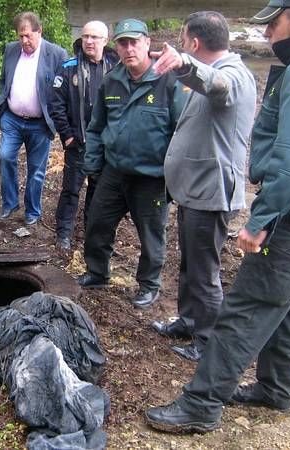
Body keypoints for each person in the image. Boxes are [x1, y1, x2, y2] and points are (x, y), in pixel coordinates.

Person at [145, 0, 290, 432]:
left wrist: (260, 219)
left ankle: (202, 404)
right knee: (288, 300)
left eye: (273, 26)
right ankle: (275, 388)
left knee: (247, 304)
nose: (267, 35)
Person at [148, 11, 257, 362]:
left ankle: (208, 339)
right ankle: (189, 320)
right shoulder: (222, 71)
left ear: (194, 43)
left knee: (205, 272)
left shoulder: (233, 75)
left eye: (183, 41)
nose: (182, 45)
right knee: (191, 265)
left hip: (211, 193)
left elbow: (218, 86)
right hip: (195, 190)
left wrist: (183, 65)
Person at [78, 18, 178, 309]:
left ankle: (148, 285)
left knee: (151, 234)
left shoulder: (168, 81)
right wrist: (93, 165)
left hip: (152, 178)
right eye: (123, 43)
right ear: (116, 47)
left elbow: (181, 133)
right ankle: (97, 272)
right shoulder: (111, 81)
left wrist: (174, 178)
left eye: (135, 42)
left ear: (147, 43)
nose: (129, 48)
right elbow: (96, 127)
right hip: (114, 171)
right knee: (97, 223)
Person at [0, 12, 68, 226]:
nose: (23, 41)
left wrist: (55, 116)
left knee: (37, 170)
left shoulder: (56, 54)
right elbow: (3, 79)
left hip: (40, 124)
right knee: (5, 157)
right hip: (12, 119)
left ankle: (32, 210)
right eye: (20, 36)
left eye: (28, 35)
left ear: (39, 31)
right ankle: (10, 203)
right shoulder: (11, 50)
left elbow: (63, 89)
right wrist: (4, 102)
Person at [50, 20, 119, 250]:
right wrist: (67, 136)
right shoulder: (68, 67)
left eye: (94, 37)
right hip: (77, 144)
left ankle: (92, 233)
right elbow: (56, 104)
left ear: (105, 40)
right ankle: (63, 234)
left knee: (98, 192)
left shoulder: (117, 68)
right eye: (86, 36)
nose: (89, 41)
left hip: (105, 146)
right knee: (70, 190)